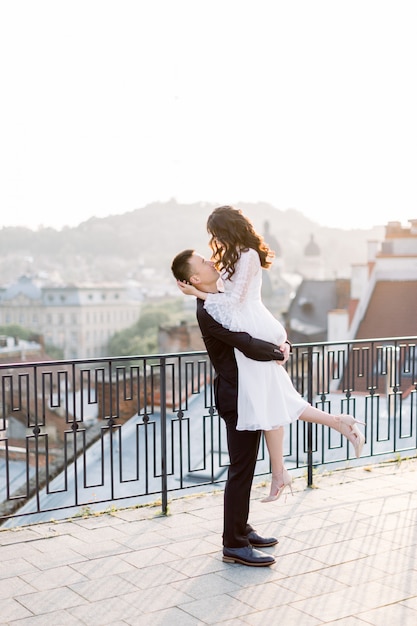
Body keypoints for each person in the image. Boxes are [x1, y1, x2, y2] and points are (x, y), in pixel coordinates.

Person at [177, 205, 365, 502]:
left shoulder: (248, 255)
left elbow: (233, 303)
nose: (214, 241)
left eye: (216, 234)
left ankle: (286, 469)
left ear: (227, 230)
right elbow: (225, 297)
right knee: (276, 402)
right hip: (251, 326)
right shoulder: (232, 256)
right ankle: (330, 431)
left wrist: (196, 293)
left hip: (254, 326)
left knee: (271, 403)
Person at [171, 249, 286, 567]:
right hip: (236, 396)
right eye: (203, 262)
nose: (211, 261)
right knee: (240, 469)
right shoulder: (208, 311)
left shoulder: (220, 297)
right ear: (194, 278)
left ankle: (241, 529)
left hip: (245, 391)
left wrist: (282, 343)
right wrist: (278, 353)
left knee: (246, 467)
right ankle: (233, 544)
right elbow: (245, 341)